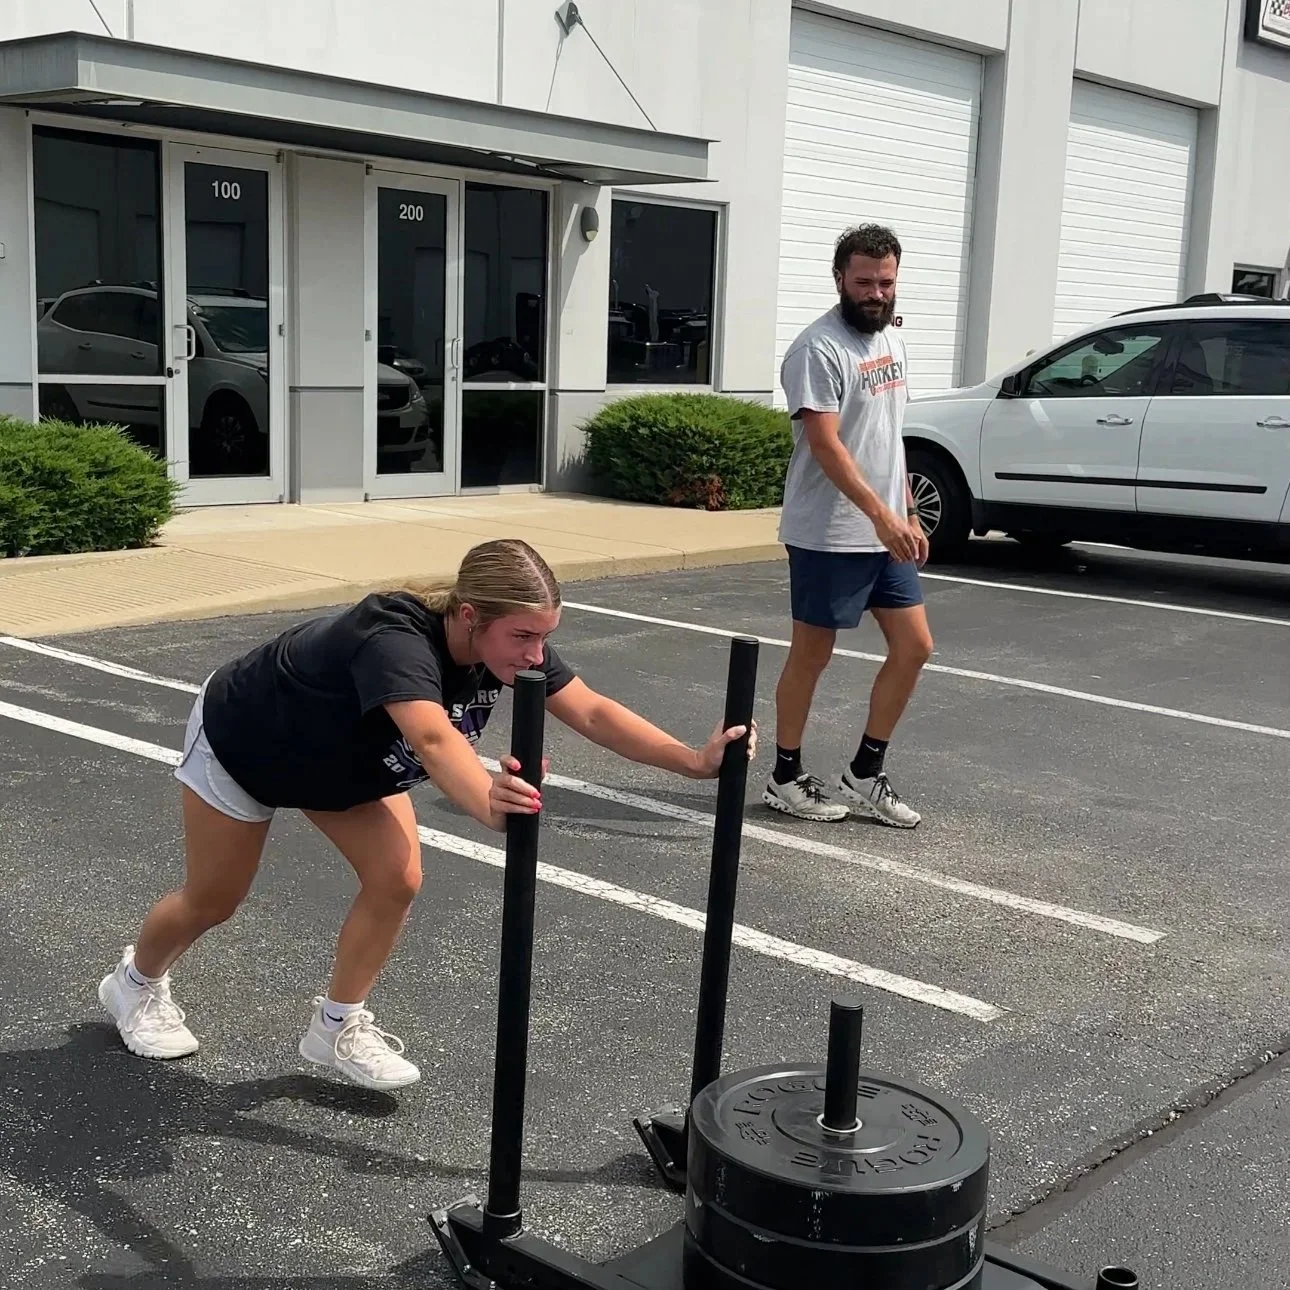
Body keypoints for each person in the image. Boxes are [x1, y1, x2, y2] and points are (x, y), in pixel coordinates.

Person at [98, 539, 756, 1091]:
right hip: (248, 741)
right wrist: (489, 805)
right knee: (214, 898)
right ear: (469, 615)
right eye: (523, 636)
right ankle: (134, 984)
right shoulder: (394, 638)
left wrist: (692, 761)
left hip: (343, 762)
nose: (535, 654)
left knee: (397, 878)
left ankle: (335, 1030)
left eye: (544, 637)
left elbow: (590, 711)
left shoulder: (512, 644)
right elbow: (436, 740)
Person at [762, 223, 932, 829]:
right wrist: (884, 517)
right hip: (830, 531)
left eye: (886, 282)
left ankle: (865, 771)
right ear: (840, 279)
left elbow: (891, 439)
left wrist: (906, 509)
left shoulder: (893, 340)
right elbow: (827, 446)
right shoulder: (818, 349)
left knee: (915, 647)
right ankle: (785, 775)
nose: (877, 293)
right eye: (864, 282)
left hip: (886, 532)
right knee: (813, 654)